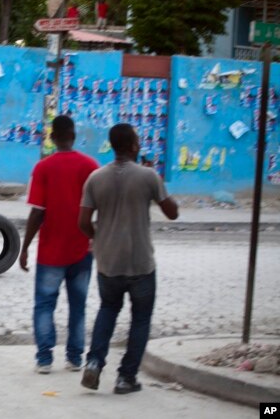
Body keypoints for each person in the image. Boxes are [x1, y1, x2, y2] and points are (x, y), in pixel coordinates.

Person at [78, 123, 178, 394]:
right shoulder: (148, 176)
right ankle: (126, 377)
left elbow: (83, 221)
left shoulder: (95, 178)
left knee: (107, 310)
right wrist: (157, 181)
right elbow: (173, 213)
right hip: (141, 263)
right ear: (134, 145)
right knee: (140, 319)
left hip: (108, 261)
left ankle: (95, 362)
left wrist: (97, 238)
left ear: (113, 146)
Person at [19, 115, 99, 374]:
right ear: (73, 135)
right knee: (78, 304)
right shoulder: (90, 166)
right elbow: (101, 209)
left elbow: (37, 212)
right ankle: (75, 357)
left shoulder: (43, 168)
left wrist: (25, 246)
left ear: (52, 138)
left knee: (44, 304)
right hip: (82, 249)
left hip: (50, 251)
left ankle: (44, 359)